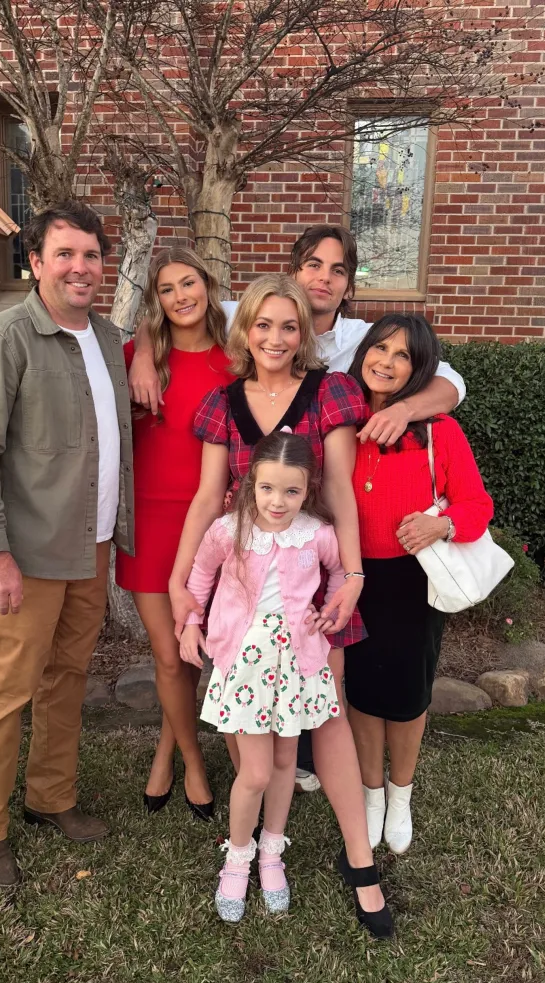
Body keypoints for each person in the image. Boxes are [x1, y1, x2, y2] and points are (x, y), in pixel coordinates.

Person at [129, 224, 466, 790]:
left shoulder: (354, 353)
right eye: (313, 264)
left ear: (348, 284)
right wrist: (142, 346)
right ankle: (257, 796)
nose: (323, 278)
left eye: (337, 270)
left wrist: (352, 571)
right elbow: (174, 302)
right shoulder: (243, 348)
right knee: (250, 670)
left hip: (317, 550)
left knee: (323, 672)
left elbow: (439, 385)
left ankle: (344, 800)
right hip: (249, 557)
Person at [168, 273, 393, 935]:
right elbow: (209, 501)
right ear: (245, 331)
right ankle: (251, 852)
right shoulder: (222, 403)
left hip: (317, 575)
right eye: (262, 325)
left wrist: (351, 576)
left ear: (305, 333)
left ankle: (359, 861)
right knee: (261, 738)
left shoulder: (331, 393)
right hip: (246, 587)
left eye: (288, 326)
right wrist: (184, 582)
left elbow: (343, 493)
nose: (274, 337)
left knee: (326, 717)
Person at [0, 201, 134, 888]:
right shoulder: (5, 338)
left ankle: (51, 797)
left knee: (67, 682)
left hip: (94, 546)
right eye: (65, 254)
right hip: (26, 554)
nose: (80, 266)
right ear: (35, 262)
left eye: (90, 254)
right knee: (7, 690)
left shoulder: (109, 338)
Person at [344, 313, 494, 855]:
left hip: (414, 576)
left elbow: (478, 504)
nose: (385, 361)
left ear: (419, 368)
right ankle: (370, 793)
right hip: (352, 574)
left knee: (407, 694)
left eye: (402, 354)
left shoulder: (438, 431)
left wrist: (444, 522)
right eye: (379, 348)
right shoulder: (342, 419)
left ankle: (400, 792)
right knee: (360, 691)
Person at [116, 248, 232, 819]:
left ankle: (165, 748)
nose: (181, 296)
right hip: (149, 520)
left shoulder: (236, 358)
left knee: (193, 657)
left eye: (189, 283)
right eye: (167, 289)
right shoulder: (138, 356)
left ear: (208, 287)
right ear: (156, 301)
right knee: (167, 655)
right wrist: (139, 351)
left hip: (213, 524)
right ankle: (192, 761)